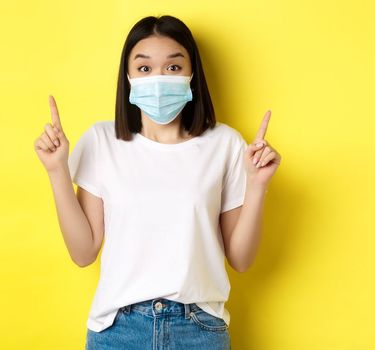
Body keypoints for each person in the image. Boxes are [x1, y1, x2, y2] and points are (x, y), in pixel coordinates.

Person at [33, 15, 281, 349]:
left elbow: (241, 259)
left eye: (174, 68)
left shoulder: (225, 144)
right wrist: (57, 171)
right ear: (129, 77)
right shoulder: (101, 140)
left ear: (192, 76)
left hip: (199, 330)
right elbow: (83, 252)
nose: (159, 79)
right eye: (145, 68)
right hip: (117, 331)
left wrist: (257, 186)